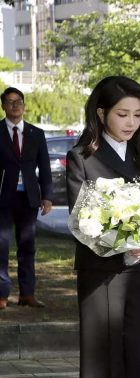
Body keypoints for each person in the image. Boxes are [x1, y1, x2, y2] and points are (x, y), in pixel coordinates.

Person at [66, 76, 140, 378]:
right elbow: (82, 219)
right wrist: (121, 242)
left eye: (137, 115)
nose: (131, 123)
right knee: (104, 359)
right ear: (101, 113)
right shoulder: (82, 156)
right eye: (122, 114)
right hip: (102, 273)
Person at [0, 87, 52, 310]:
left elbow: (45, 167)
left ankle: (27, 294)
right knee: (1, 246)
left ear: (24, 105)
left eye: (18, 101)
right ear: (3, 106)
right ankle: (2, 295)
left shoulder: (36, 133)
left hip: (29, 198)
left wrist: (47, 196)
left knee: (27, 247)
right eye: (10, 102)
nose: (15, 105)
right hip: (3, 198)